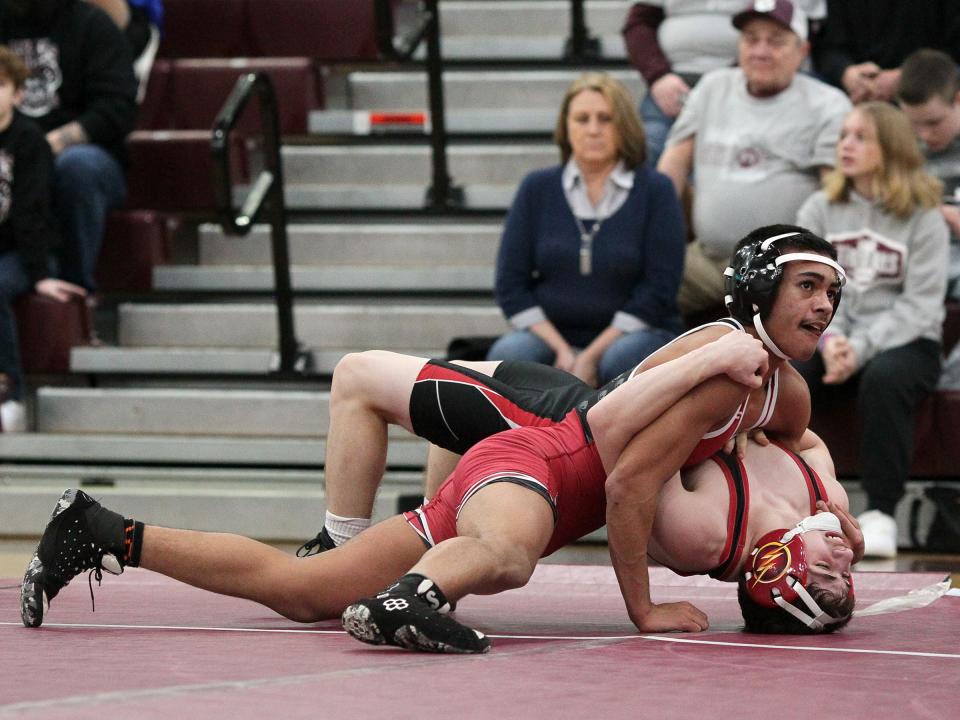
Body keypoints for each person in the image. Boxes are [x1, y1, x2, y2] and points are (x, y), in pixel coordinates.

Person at [21, 336, 860, 651]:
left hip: (534, 463)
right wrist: (745, 383)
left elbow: (630, 475)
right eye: (842, 575)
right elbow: (626, 457)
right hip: (536, 460)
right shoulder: (795, 480)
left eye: (826, 580)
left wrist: (725, 375)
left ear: (776, 570)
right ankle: (411, 598)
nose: (844, 564)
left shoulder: (712, 530)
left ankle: (98, 529)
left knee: (303, 592)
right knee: (509, 556)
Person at [303, 224, 846, 556]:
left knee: (361, 377)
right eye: (807, 286)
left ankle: (391, 546)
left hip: (557, 430)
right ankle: (350, 543)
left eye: (830, 292)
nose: (824, 306)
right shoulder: (727, 355)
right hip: (556, 413)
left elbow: (801, 445)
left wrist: (827, 503)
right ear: (759, 290)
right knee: (362, 376)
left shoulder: (785, 390)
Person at [795, 102, 949, 558]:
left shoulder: (924, 216)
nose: (845, 144)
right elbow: (803, 289)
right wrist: (830, 338)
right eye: (844, 134)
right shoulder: (819, 208)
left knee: (885, 377)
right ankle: (795, 504)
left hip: (907, 341)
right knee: (789, 379)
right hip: (829, 333)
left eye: (860, 137)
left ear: (892, 147)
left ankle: (881, 511)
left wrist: (857, 348)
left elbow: (920, 306)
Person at [486, 72, 685, 388]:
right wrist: (563, 350)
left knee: (620, 360)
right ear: (566, 127)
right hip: (553, 336)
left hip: (638, 334)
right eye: (582, 118)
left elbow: (659, 289)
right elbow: (511, 285)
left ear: (624, 126)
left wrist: (590, 356)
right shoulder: (536, 188)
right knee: (509, 356)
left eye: (605, 119)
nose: (593, 129)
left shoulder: (655, 190)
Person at [657, 0, 850, 319]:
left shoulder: (828, 105)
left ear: (803, 51)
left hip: (785, 268)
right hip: (708, 260)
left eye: (775, 41)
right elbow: (670, 171)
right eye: (751, 39)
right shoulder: (711, 88)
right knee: (641, 284)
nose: (760, 51)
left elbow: (836, 197)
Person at [0, 0, 138, 292]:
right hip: (10, 149)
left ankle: (74, 288)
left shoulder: (92, 24)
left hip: (84, 158)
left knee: (77, 167)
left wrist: (46, 145)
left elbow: (116, 109)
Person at [621, 0, 826, 165]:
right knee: (645, 147)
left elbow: (788, 29)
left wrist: (731, 82)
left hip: (749, 80)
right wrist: (658, 75)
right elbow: (638, 23)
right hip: (672, 84)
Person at [0, 45, 85, 433]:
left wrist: (38, 274)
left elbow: (31, 214)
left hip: (25, 251)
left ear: (18, 94)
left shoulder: (28, 141)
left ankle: (12, 395)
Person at [896, 48, 960, 299]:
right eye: (914, 123)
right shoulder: (895, 148)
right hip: (910, 266)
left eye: (934, 123)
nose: (923, 135)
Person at [814, 0, 960, 104]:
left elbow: (954, 49)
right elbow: (828, 46)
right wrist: (848, 73)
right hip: (858, 95)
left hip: (927, 88)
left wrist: (906, 76)